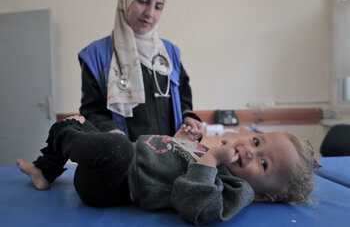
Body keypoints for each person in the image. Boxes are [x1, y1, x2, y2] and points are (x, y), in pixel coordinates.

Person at [17, 115, 320, 225]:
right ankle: (45, 170)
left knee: (104, 141)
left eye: (263, 163)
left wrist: (212, 159)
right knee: (90, 127)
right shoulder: (217, 156)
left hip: (113, 184)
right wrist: (181, 142)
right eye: (256, 141)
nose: (251, 150)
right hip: (123, 159)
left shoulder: (236, 189)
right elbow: (169, 163)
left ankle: (64, 137)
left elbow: (194, 204)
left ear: (263, 197)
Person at [78, 0, 204, 141]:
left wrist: (188, 116)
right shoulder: (96, 55)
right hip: (126, 160)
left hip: (170, 157)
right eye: (143, 0)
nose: (150, 13)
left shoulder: (169, 52)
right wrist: (111, 132)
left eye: (158, 7)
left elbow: (182, 94)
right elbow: (92, 112)